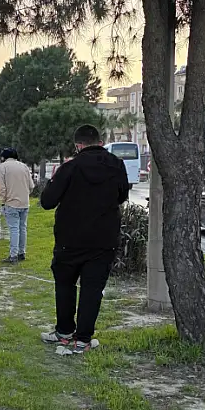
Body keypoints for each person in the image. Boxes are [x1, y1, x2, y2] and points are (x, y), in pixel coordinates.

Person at [38, 124, 131, 354]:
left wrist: (54, 180)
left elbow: (47, 202)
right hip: (103, 239)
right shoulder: (117, 165)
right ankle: (84, 340)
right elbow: (122, 196)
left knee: (65, 285)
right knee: (92, 289)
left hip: (69, 238)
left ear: (78, 145)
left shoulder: (69, 168)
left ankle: (65, 332)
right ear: (100, 143)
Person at [0, 147, 33, 262]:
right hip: (25, 203)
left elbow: (1, 188)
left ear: (4, 157)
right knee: (23, 228)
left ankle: (13, 256)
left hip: (11, 203)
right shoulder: (24, 167)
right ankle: (22, 253)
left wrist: (3, 201)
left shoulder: (3, 167)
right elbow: (31, 186)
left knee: (14, 229)